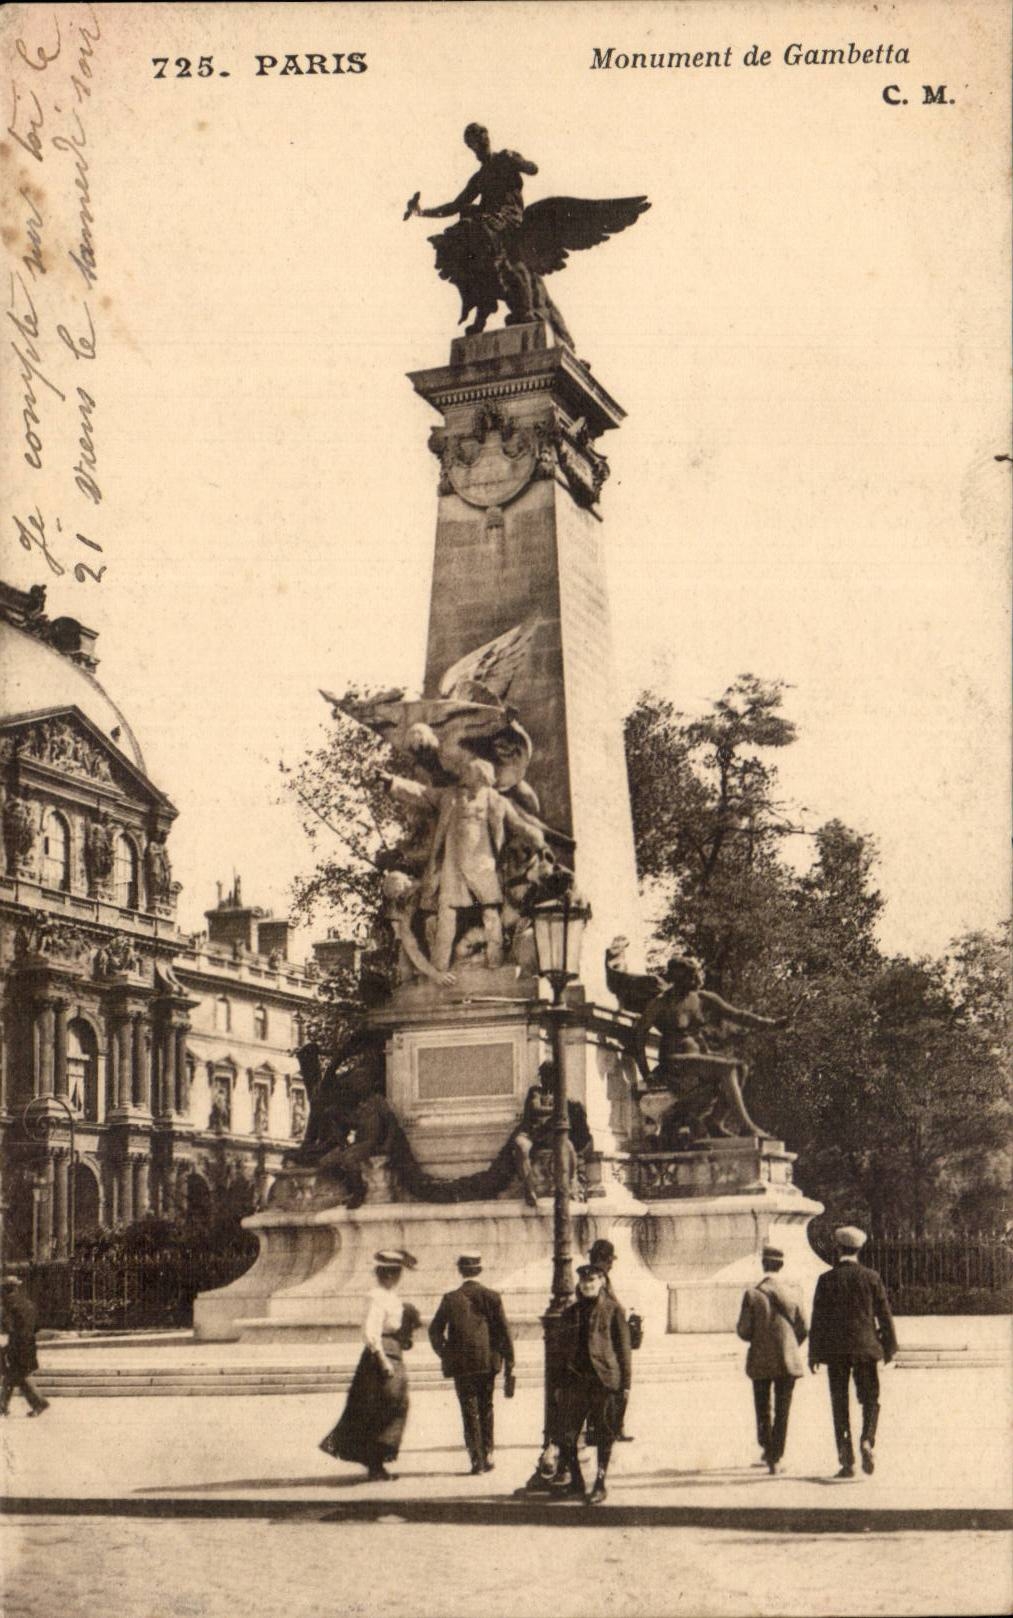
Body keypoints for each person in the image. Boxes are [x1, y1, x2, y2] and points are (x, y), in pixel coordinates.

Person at [407, 123, 539, 332]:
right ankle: (482, 304)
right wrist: (421, 212)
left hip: (510, 217)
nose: (476, 148)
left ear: (486, 139)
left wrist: (518, 161)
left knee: (479, 228)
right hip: (488, 220)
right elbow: (455, 205)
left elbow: (533, 169)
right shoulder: (480, 177)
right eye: (472, 145)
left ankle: (507, 305)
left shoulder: (504, 158)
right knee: (455, 240)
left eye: (478, 141)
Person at [319, 1249, 420, 1481]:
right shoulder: (376, 1297)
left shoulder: (390, 1296)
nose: (397, 1276)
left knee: (395, 1405)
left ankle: (378, 1462)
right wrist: (383, 1360)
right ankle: (375, 1464)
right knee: (382, 1407)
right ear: (387, 1274)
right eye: (395, 1272)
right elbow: (371, 1331)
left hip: (393, 1351)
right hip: (381, 1356)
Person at [808, 1225, 897, 1479]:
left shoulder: (826, 1280)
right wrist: (890, 1347)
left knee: (839, 1403)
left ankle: (846, 1459)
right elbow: (884, 1315)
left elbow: (819, 1319)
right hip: (866, 1349)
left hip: (836, 1351)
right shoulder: (871, 1277)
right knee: (870, 1399)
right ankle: (867, 1439)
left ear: (838, 1249)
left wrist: (814, 1354)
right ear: (859, 1249)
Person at [552, 1263, 632, 1505]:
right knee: (567, 1435)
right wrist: (558, 1382)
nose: (588, 1285)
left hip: (603, 1381)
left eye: (593, 1281)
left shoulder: (613, 1310)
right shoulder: (570, 1312)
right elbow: (560, 1350)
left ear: (602, 1282)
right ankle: (577, 1482)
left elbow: (623, 1350)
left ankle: (599, 1482)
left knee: (604, 1434)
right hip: (576, 1382)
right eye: (584, 1282)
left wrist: (625, 1384)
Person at [428, 1252, 515, 1475]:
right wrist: (509, 1361)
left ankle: (476, 1461)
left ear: (461, 1271)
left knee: (469, 1409)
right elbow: (504, 1332)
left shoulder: (450, 1298)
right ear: (479, 1270)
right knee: (486, 1407)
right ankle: (488, 1453)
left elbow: (434, 1330)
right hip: (488, 1362)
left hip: (462, 1364)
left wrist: (446, 1353)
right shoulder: (492, 1296)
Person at [736, 1242, 808, 1474]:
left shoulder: (753, 1294)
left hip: (760, 1358)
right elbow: (804, 1326)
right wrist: (790, 1345)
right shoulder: (794, 1291)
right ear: (782, 1265)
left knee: (763, 1406)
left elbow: (744, 1331)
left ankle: (767, 1449)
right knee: (783, 1408)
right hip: (788, 1358)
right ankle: (777, 1455)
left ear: (763, 1263)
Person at [512, 1060, 592, 1207]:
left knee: (569, 1148)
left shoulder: (562, 1096)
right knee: (520, 1146)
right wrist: (560, 1108)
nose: (543, 1079)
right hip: (531, 1133)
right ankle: (530, 1189)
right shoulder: (536, 1091)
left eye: (547, 1076)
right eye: (542, 1076)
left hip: (550, 1135)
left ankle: (571, 1181)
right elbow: (535, 1108)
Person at [587, 1239, 637, 1442]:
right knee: (619, 1380)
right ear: (605, 1259)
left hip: (603, 1337)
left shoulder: (594, 1277)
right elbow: (607, 1307)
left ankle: (607, 1426)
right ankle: (611, 1427)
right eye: (610, 1260)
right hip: (607, 1339)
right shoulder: (600, 1279)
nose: (611, 1264)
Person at [0, 1276, 48, 1418]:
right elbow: (37, 1327)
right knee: (11, 1376)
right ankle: (2, 1407)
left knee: (19, 1375)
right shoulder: (28, 1303)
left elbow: (7, 1326)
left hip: (16, 1343)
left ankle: (39, 1403)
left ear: (6, 1289)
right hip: (29, 1343)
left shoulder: (8, 1304)